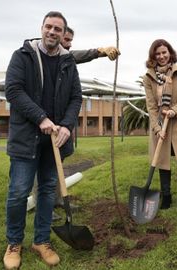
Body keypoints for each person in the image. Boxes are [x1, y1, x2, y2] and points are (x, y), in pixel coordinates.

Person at [3, 11, 82, 269]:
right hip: (27, 138)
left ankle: (41, 240)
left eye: (58, 29)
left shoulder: (68, 62)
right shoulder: (22, 56)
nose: (52, 32)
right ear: (42, 28)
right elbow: (13, 90)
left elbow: (76, 98)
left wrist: (67, 126)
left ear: (63, 34)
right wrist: (40, 118)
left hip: (54, 142)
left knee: (48, 191)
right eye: (49, 27)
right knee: (18, 193)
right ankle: (14, 243)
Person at [31, 25, 120, 215]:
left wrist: (102, 52)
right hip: (42, 123)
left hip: (60, 123)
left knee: (56, 164)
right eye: (67, 40)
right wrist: (99, 51)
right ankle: (43, 205)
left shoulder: (65, 60)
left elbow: (75, 93)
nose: (69, 45)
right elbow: (80, 55)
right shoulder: (40, 57)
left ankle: (56, 199)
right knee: (42, 167)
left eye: (71, 41)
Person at [143, 39, 177, 211]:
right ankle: (166, 197)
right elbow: (151, 105)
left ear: (170, 53)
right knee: (162, 160)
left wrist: (174, 110)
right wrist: (157, 128)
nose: (161, 56)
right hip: (160, 124)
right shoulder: (149, 77)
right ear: (153, 56)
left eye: (164, 52)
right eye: (157, 54)